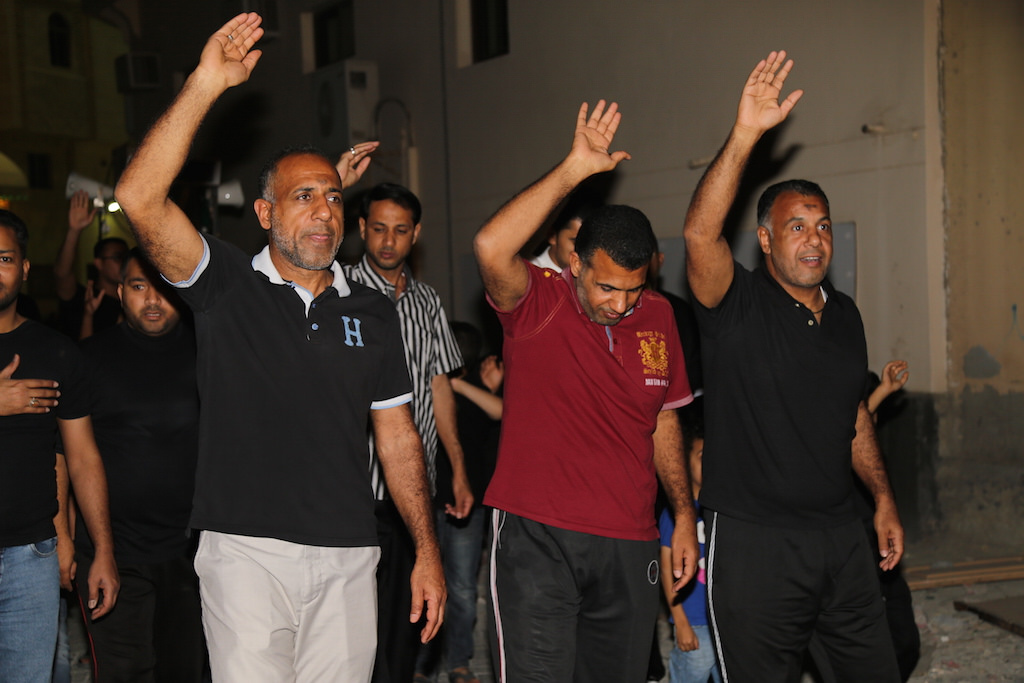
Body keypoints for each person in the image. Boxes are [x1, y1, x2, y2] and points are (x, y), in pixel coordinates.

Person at [113, 13, 444, 682]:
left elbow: (398, 437)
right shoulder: (227, 285)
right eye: (303, 197)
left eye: (333, 198)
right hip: (246, 554)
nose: (323, 210)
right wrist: (206, 83)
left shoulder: (372, 312)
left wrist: (427, 550)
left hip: (350, 554)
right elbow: (139, 197)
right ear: (265, 214)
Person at [682, 51, 903, 682]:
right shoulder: (737, 303)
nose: (815, 239)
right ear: (766, 239)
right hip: (756, 545)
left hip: (840, 537)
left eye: (823, 226)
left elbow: (852, 415)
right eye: (797, 227)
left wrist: (882, 497)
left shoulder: (846, 315)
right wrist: (745, 134)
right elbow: (699, 235)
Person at [474, 100, 697, 682]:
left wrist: (683, 515)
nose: (619, 304)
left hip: (629, 541)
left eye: (632, 289)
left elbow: (664, 419)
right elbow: (491, 246)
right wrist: (574, 170)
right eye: (605, 287)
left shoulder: (659, 315)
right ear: (575, 263)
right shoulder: (538, 302)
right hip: (537, 537)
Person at [345, 182, 470, 682]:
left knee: (406, 620)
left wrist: (457, 467)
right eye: (378, 229)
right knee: (355, 623)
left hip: (414, 494)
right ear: (361, 229)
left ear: (415, 234)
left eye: (400, 230)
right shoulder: (337, 291)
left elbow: (439, 387)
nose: (388, 241)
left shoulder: (427, 301)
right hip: (355, 491)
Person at [0, 209, 120, 683]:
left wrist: (102, 549)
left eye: (4, 258)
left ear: (25, 268)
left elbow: (82, 457)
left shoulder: (57, 351)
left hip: (31, 559)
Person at [75, 248, 205, 682]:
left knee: (185, 672)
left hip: (191, 555)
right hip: (112, 553)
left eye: (164, 289)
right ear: (119, 292)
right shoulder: (88, 359)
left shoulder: (209, 354)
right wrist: (75, 545)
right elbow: (71, 458)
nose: (152, 299)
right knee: (122, 674)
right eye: (138, 286)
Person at [415, 322, 504, 683]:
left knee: (464, 589)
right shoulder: (421, 383)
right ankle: (421, 665)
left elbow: (501, 411)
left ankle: (458, 664)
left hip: (471, 503)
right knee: (426, 585)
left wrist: (455, 383)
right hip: (426, 501)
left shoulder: (480, 385)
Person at [659, 405, 721, 683]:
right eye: (702, 456)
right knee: (693, 670)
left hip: (725, 619)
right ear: (685, 461)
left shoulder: (724, 511)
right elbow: (666, 567)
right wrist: (680, 621)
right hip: (694, 618)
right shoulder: (677, 513)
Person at [54, 191, 127, 339]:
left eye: (126, 257)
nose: (124, 262)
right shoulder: (83, 297)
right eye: (117, 257)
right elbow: (62, 273)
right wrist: (74, 231)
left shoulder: (131, 301)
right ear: (99, 263)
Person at [528, 203, 586, 273]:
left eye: (589, 243)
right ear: (552, 236)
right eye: (576, 242)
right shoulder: (529, 274)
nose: (584, 250)